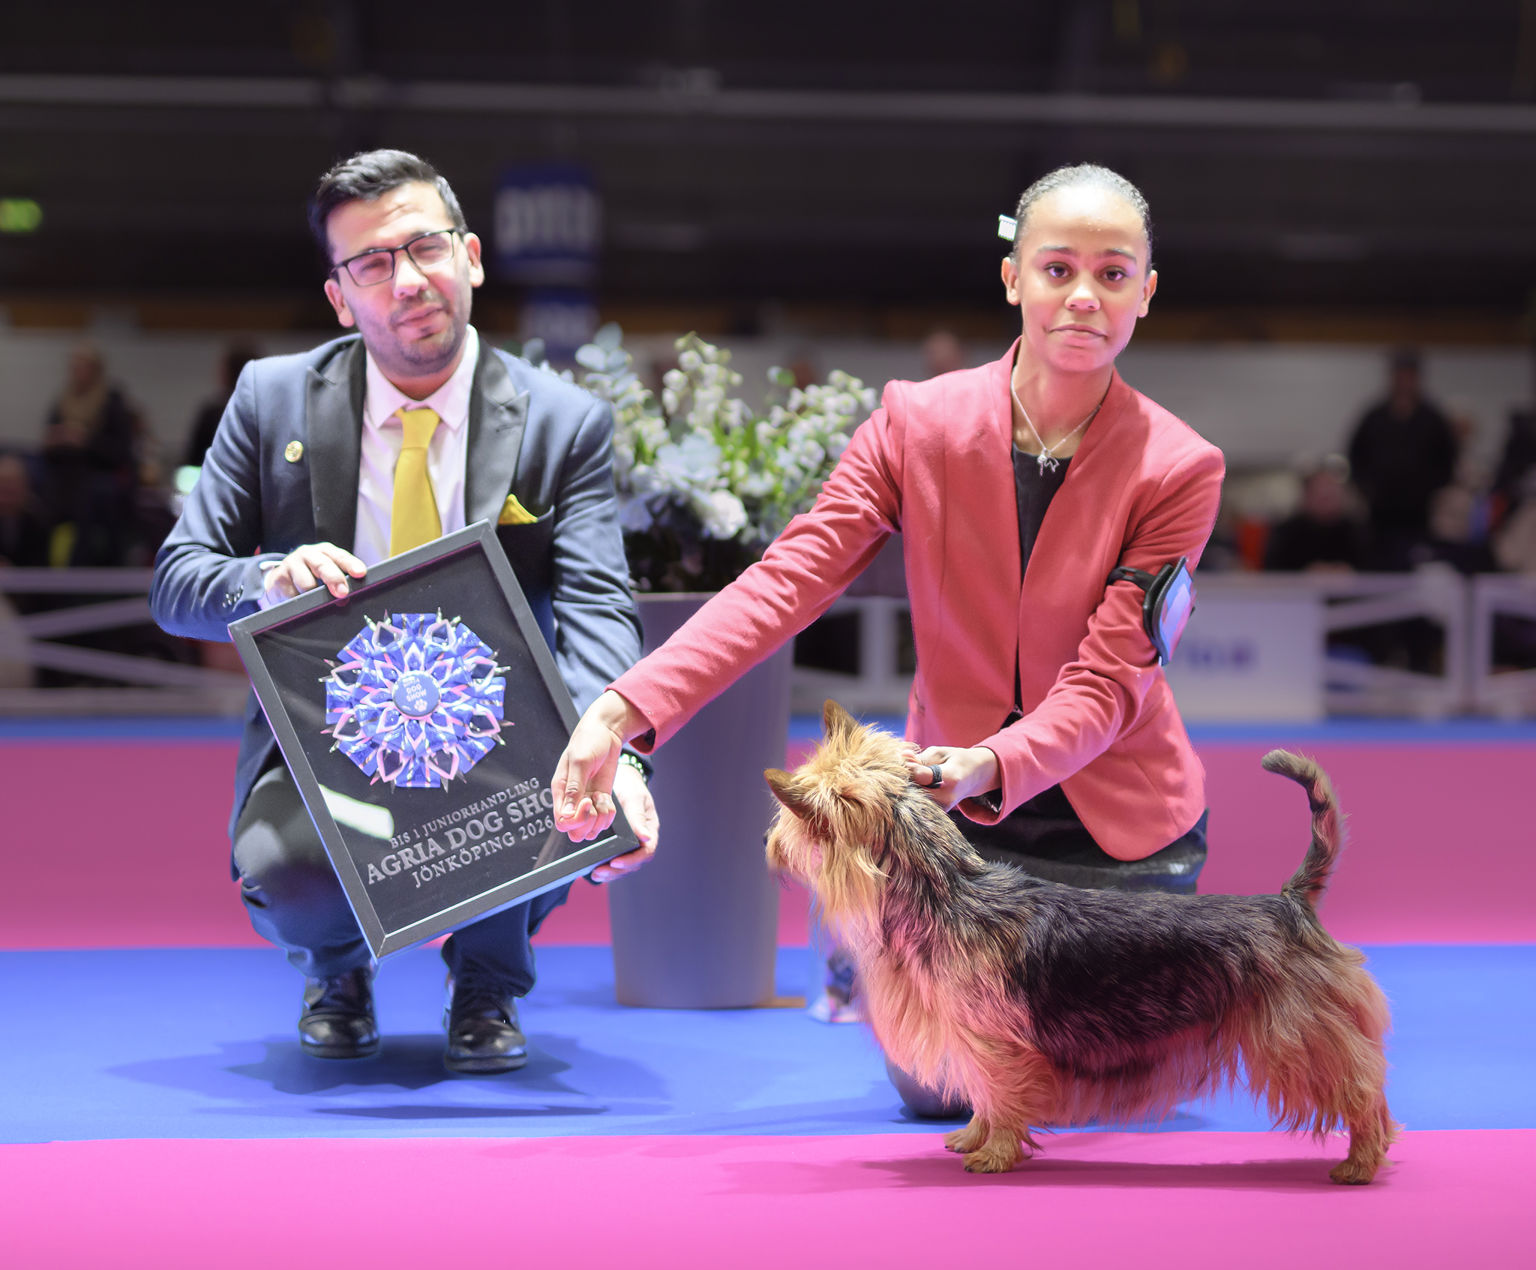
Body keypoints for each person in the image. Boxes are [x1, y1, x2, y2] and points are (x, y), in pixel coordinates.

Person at [551, 163, 1225, 1112]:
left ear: (1146, 293)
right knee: (942, 1092)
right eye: (1057, 268)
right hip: (950, 829)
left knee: (1097, 1087)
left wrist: (989, 762)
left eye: (1113, 274)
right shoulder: (917, 423)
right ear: (1013, 278)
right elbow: (786, 580)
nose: (1084, 296)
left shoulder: (1182, 466)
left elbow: (1110, 684)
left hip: (1118, 831)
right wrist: (622, 711)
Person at [150, 149, 656, 1073]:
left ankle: (488, 981)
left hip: (500, 737)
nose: (408, 280)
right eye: (372, 264)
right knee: (282, 868)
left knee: (560, 801)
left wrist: (613, 752)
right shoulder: (270, 400)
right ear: (340, 298)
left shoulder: (562, 420)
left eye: (425, 248)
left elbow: (594, 605)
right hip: (326, 739)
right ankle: (336, 971)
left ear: (470, 256)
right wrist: (268, 579)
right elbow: (176, 581)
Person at [1346, 348, 1459, 571]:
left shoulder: (1432, 418)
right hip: (1380, 512)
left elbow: (1448, 460)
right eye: (1400, 375)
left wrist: (1433, 489)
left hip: (1420, 513)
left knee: (1417, 563)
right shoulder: (1374, 417)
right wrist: (1366, 488)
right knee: (1379, 564)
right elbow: (1355, 456)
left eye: (1409, 375)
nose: (1404, 381)